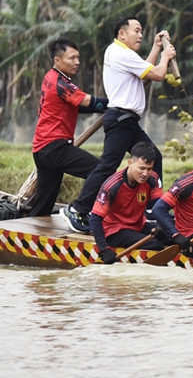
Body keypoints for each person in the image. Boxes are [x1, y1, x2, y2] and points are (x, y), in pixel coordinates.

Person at [61, 17, 176, 233]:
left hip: (128, 120)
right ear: (121, 34)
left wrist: (157, 47)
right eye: (136, 30)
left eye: (142, 31)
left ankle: (151, 207)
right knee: (107, 166)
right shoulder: (120, 53)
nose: (140, 35)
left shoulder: (122, 54)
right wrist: (166, 57)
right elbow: (158, 73)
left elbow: (147, 67)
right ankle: (78, 209)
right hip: (121, 119)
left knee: (154, 157)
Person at [29, 37, 108, 217]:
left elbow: (78, 106)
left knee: (44, 203)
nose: (77, 62)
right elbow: (87, 101)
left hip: (41, 149)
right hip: (55, 147)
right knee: (98, 170)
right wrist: (115, 104)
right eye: (72, 58)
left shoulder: (51, 77)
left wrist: (105, 108)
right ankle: (78, 210)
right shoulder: (61, 83)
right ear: (57, 60)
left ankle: (33, 232)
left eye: (78, 57)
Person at [89, 142, 175, 264]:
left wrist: (162, 226)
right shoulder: (112, 185)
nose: (145, 174)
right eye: (142, 168)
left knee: (174, 234)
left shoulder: (153, 179)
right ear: (130, 163)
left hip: (139, 225)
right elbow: (94, 218)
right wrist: (104, 249)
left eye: (149, 169)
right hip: (114, 230)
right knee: (155, 245)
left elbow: (159, 207)